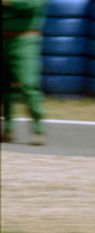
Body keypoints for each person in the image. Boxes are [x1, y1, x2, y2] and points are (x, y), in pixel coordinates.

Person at [2, 0, 48, 145]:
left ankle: (39, 127)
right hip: (3, 38)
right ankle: (8, 128)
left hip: (24, 39)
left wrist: (9, 2)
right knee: (4, 86)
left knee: (28, 83)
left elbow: (31, 5)